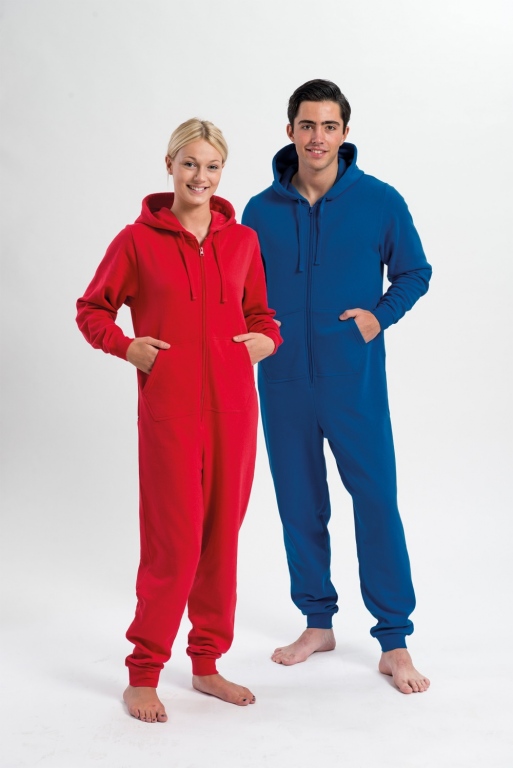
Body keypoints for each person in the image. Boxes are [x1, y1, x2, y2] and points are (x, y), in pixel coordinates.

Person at [76, 118, 282, 722]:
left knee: (221, 539)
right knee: (175, 542)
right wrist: (127, 347)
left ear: (222, 172)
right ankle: (143, 673)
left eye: (212, 166)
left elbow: (261, 312)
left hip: (234, 410)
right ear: (170, 165)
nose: (200, 176)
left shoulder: (242, 241)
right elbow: (92, 309)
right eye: (190, 163)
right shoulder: (135, 242)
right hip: (169, 412)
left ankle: (207, 664)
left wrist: (267, 339)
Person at [242, 79, 432, 694]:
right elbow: (242, 294)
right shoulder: (259, 211)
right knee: (300, 504)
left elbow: (414, 271)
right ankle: (317, 623)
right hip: (282, 381)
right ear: (290, 131)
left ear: (345, 133)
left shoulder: (379, 201)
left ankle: (394, 640)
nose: (317, 137)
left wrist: (379, 316)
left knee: (375, 500)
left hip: (353, 380)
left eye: (329, 126)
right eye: (307, 125)